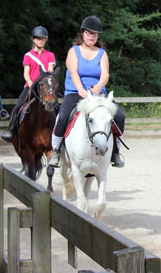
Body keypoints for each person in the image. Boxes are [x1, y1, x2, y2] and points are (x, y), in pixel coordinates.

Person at [48, 15, 126, 168]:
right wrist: (81, 90)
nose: (92, 36)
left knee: (119, 116)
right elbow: (73, 72)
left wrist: (98, 87)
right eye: (89, 33)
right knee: (63, 116)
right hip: (76, 92)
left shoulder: (102, 53)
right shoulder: (74, 51)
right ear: (83, 33)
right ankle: (55, 151)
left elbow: (105, 74)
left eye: (95, 34)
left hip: (98, 93)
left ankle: (115, 151)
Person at [1, 26, 56, 142]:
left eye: (43, 39)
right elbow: (26, 73)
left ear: (45, 40)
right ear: (33, 39)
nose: (40, 41)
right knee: (18, 106)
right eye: (38, 38)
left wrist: (48, 84)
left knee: (57, 107)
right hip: (31, 86)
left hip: (45, 87)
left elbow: (50, 71)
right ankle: (11, 130)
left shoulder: (50, 55)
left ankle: (59, 133)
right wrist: (31, 83)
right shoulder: (28, 55)